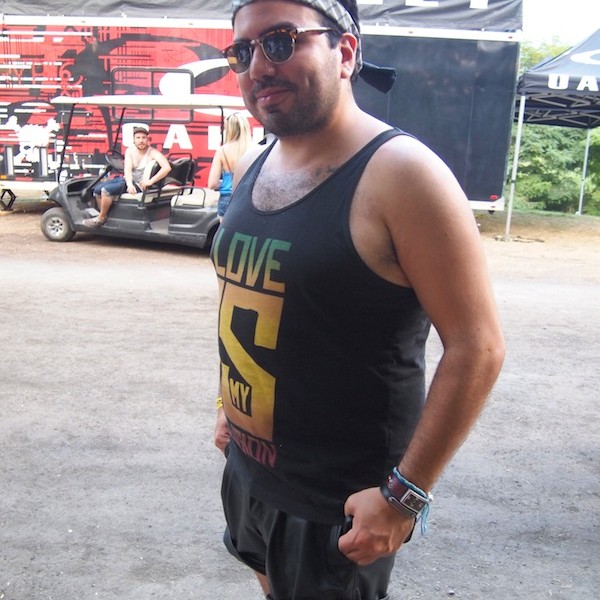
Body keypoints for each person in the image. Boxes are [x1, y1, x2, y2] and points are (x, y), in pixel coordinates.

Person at [211, 0, 505, 598]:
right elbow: (249, 296)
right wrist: (230, 404)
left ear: (344, 52)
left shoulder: (403, 174)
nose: (258, 66)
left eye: (280, 41)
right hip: (250, 473)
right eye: (242, 51)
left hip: (336, 505)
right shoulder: (254, 164)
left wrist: (404, 497)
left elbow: (478, 348)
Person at [84, 125, 171, 227]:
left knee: (106, 191)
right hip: (128, 181)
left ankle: (101, 218)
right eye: (138, 138)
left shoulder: (152, 152)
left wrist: (150, 181)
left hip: (139, 184)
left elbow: (167, 167)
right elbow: (128, 169)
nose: (141, 141)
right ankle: (106, 215)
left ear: (148, 139)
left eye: (143, 138)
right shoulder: (130, 151)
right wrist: (129, 184)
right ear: (134, 140)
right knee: (97, 190)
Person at [207, 112, 252, 219]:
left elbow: (212, 184)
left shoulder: (222, 151)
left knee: (226, 230)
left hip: (227, 199)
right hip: (248, 199)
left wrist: (225, 183)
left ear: (229, 130)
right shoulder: (255, 149)